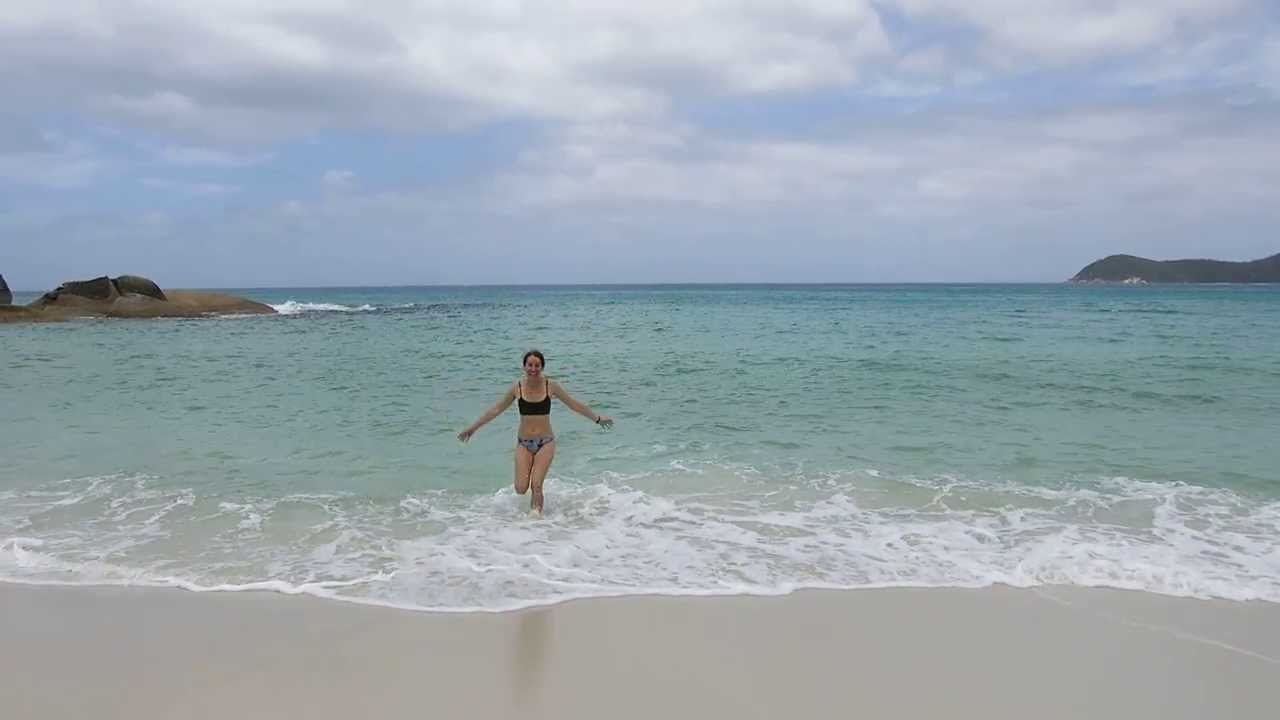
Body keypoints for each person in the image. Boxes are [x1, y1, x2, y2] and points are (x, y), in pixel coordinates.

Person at [458, 350, 613, 514]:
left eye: (537, 365)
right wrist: (473, 428)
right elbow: (496, 409)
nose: (533, 369)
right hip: (523, 444)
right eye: (530, 365)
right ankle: (533, 490)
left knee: (536, 484)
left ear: (542, 367)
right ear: (524, 366)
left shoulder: (550, 385)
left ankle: (536, 520)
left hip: (546, 442)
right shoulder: (517, 387)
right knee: (520, 488)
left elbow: (574, 404)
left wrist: (597, 418)